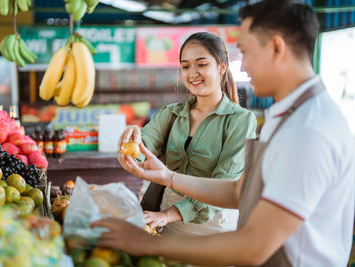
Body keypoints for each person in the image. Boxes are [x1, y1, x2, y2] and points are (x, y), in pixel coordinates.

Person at [91, 1, 355, 266]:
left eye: (246, 52)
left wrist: (147, 242)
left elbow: (253, 247)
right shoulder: (287, 116)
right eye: (185, 66)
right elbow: (240, 192)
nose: (244, 67)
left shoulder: (308, 131)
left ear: (276, 47)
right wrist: (168, 177)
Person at [118, 31, 257, 236]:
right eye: (185, 66)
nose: (192, 73)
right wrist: (131, 140)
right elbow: (141, 148)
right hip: (165, 222)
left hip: (212, 224)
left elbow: (224, 184)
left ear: (221, 67)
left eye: (201, 64)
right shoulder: (171, 114)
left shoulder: (240, 120)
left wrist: (170, 214)